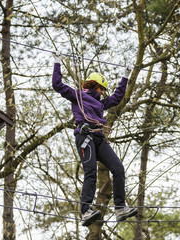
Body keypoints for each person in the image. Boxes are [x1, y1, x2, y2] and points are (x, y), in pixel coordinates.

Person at [51, 52, 138, 227]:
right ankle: (85, 211)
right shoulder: (78, 95)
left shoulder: (100, 103)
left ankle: (120, 207)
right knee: (91, 171)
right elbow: (57, 85)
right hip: (85, 135)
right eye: (100, 89)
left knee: (118, 169)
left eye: (103, 90)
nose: (102, 92)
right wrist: (57, 62)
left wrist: (125, 77)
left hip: (99, 138)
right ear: (93, 85)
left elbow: (116, 98)